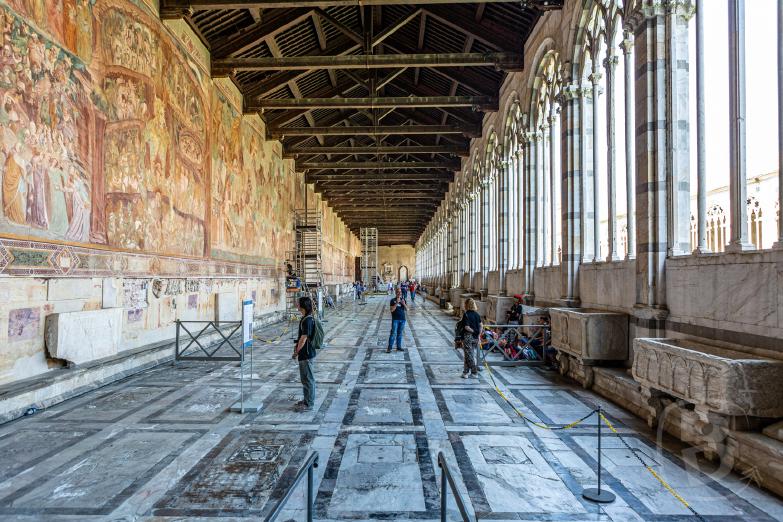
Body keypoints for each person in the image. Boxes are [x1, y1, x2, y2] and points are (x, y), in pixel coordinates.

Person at [293, 296, 317, 411]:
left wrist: (296, 352)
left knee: (308, 379)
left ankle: (309, 404)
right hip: (305, 354)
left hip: (306, 354)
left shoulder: (307, 320)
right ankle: (306, 399)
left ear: (303, 305)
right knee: (305, 379)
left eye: (298, 303)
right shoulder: (305, 318)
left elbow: (303, 338)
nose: (296, 304)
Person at [458, 298, 482, 379]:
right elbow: (481, 325)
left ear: (467, 305)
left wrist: (473, 331)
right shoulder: (477, 314)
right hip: (475, 338)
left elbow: (467, 327)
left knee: (469, 355)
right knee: (468, 354)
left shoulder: (466, 314)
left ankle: (474, 372)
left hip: (468, 337)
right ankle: (465, 373)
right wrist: (478, 334)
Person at [387, 287, 407, 352]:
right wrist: (396, 303)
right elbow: (392, 310)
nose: (399, 293)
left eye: (400, 292)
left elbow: (407, 309)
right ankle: (389, 348)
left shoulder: (403, 300)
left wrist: (404, 304)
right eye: (398, 292)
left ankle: (398, 347)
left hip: (402, 319)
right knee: (393, 333)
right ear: (396, 293)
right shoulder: (392, 300)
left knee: (400, 333)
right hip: (395, 319)